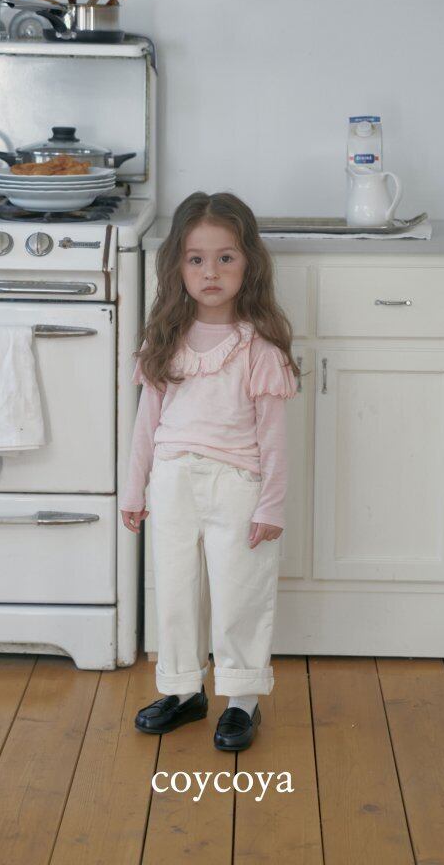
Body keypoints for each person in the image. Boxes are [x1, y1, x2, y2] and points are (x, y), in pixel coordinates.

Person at [119, 191, 300, 751]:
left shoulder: (259, 348)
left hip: (236, 486)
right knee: (175, 591)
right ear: (178, 266)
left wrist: (271, 504)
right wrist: (134, 488)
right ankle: (182, 689)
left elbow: (273, 439)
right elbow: (146, 423)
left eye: (226, 258)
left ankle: (241, 699)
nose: (211, 272)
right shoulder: (165, 339)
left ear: (249, 264)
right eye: (196, 259)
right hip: (172, 480)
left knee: (239, 593)